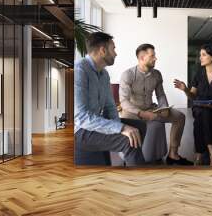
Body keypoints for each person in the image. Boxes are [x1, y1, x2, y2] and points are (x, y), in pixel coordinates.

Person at [74, 32, 146, 166]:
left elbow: (110, 107)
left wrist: (120, 128)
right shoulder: (80, 70)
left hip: (94, 124)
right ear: (103, 50)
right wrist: (121, 128)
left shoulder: (104, 74)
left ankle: (129, 163)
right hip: (80, 130)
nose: (116, 53)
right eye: (113, 49)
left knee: (140, 127)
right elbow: (82, 118)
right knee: (128, 142)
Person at [119, 44, 192, 165]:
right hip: (132, 112)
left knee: (180, 117)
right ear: (142, 58)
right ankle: (130, 157)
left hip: (151, 109)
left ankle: (173, 154)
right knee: (127, 124)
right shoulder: (128, 74)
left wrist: (164, 107)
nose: (155, 58)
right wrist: (141, 113)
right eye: (152, 56)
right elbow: (124, 101)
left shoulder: (157, 74)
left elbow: (161, 95)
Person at [174, 43, 212, 166]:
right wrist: (185, 89)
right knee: (203, 113)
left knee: (201, 120)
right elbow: (193, 96)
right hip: (200, 107)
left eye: (203, 55)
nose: (200, 57)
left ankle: (200, 155)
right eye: (200, 55)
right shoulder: (199, 74)